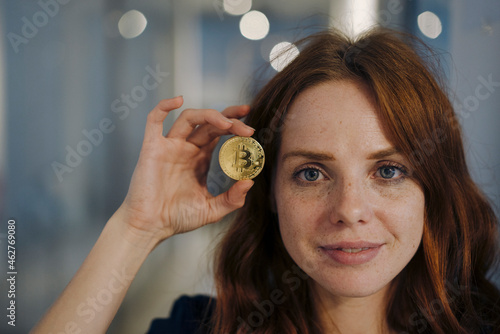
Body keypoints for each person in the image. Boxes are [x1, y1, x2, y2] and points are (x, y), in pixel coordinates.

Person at [32, 28, 500, 334]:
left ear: (432, 189)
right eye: (311, 173)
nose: (350, 209)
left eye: (388, 170)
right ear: (271, 192)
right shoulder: (200, 328)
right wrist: (136, 229)